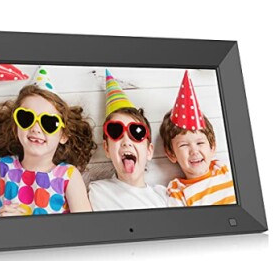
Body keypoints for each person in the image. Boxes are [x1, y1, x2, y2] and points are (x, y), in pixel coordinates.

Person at [0, 66, 97, 216]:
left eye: (48, 122)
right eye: (26, 118)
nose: (36, 128)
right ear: (15, 126)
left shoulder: (69, 176)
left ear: (63, 135)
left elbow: (85, 229)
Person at [88, 70, 168, 211]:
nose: (126, 142)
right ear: (106, 149)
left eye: (136, 133)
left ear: (149, 151)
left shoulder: (163, 197)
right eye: (116, 132)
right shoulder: (97, 191)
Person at [159, 70, 236, 207]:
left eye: (200, 142)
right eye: (183, 145)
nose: (194, 151)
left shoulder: (225, 170)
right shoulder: (178, 190)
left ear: (212, 147)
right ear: (171, 153)